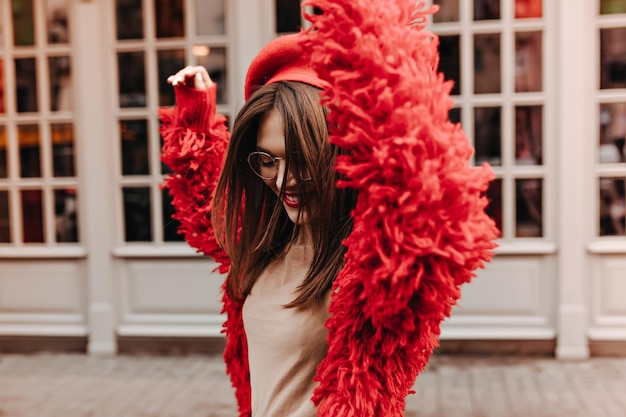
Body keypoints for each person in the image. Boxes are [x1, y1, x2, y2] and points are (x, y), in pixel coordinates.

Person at [160, 1, 499, 416]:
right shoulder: (265, 242)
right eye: (268, 159)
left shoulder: (371, 272)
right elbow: (207, 212)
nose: (283, 181)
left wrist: (373, 47)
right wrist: (195, 119)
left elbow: (435, 212)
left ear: (339, 151)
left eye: (301, 158)